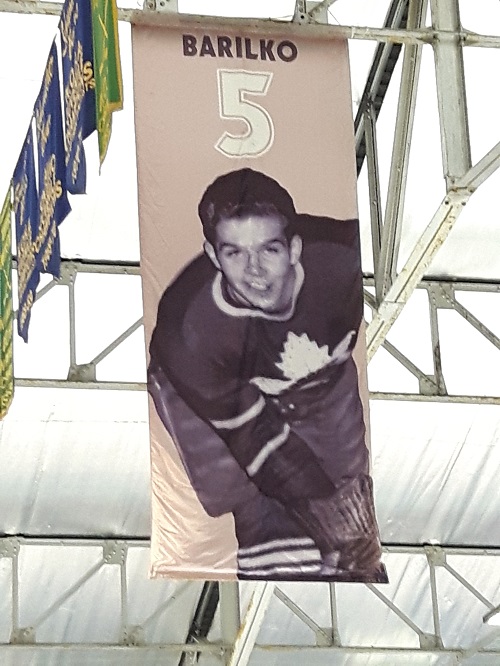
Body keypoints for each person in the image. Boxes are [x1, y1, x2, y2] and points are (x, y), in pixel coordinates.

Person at [148, 168, 386, 582]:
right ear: (212, 255)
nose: (254, 271)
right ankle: (268, 532)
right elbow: (254, 439)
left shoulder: (341, 263)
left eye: (269, 251)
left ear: (295, 248)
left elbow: (341, 408)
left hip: (313, 370)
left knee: (345, 486)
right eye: (234, 254)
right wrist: (319, 508)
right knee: (249, 488)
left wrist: (346, 515)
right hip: (209, 387)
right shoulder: (190, 332)